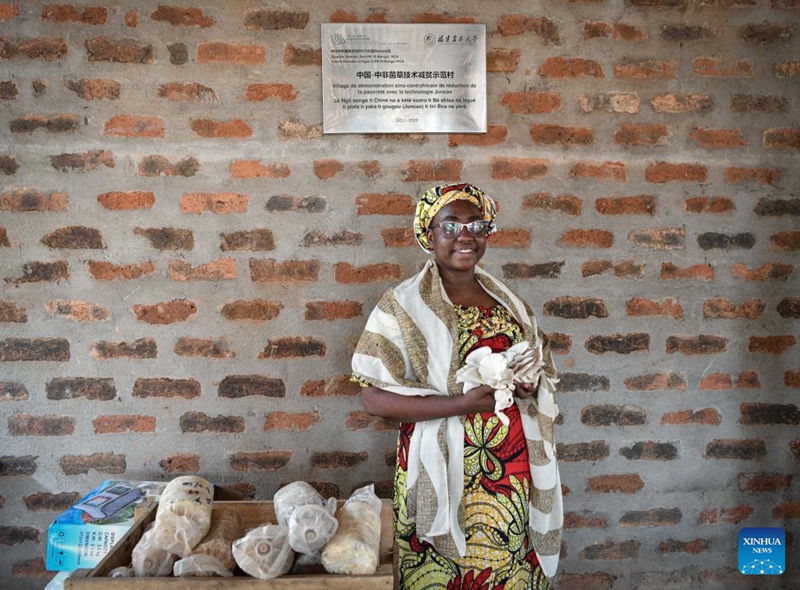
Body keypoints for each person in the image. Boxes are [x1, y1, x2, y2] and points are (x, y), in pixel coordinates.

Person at [351, 183, 563, 590]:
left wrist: (525, 383)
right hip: (438, 473)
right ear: (428, 236)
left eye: (476, 224)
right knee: (441, 573)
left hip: (511, 474)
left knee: (509, 570)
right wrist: (460, 404)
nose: (465, 236)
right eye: (450, 225)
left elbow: (539, 371)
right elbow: (372, 397)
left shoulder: (508, 303)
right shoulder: (400, 306)